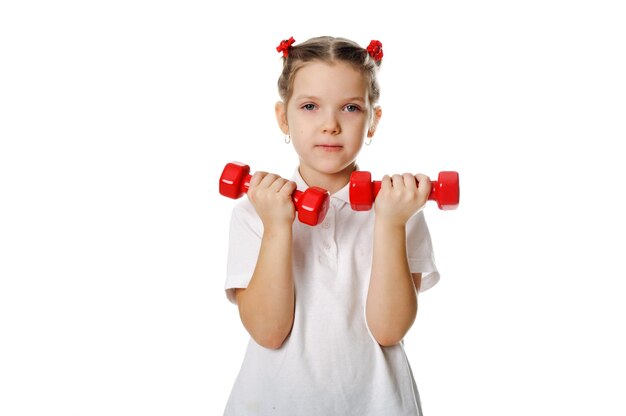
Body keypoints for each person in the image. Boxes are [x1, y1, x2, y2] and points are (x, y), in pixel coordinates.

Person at [223, 36, 440, 415]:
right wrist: (278, 227)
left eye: (351, 108)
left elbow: (389, 331)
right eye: (310, 106)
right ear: (282, 117)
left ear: (373, 121)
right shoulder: (254, 211)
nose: (330, 125)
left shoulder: (402, 209)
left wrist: (389, 224)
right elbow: (267, 332)